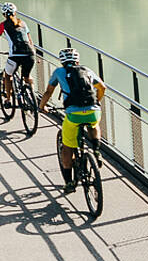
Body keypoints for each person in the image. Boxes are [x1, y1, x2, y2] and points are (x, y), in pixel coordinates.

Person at [41, 47, 105, 194]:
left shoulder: (59, 72)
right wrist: (96, 102)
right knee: (93, 123)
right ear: (77, 60)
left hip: (73, 114)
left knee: (67, 148)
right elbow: (102, 87)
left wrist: (42, 106)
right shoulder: (87, 70)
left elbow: (48, 91)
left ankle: (69, 183)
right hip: (93, 110)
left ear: (62, 61)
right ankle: (96, 150)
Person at [0, 2, 35, 105]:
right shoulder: (23, 23)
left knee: (8, 76)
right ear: (15, 12)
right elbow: (30, 41)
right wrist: (34, 54)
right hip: (30, 54)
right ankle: (33, 98)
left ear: (3, 15)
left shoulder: (3, 25)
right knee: (27, 77)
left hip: (15, 55)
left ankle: (8, 99)